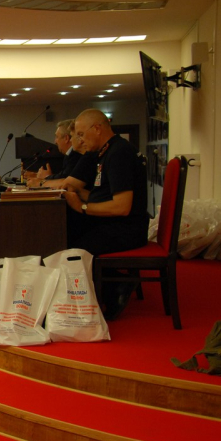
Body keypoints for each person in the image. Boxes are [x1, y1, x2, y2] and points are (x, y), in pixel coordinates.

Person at [63, 109, 148, 318]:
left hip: (126, 229)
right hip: (116, 223)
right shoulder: (107, 151)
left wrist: (82, 207)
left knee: (75, 247)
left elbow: (122, 207)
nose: (80, 140)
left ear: (97, 128)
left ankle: (114, 289)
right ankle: (106, 287)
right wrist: (78, 195)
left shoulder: (119, 153)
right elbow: (104, 195)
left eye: (81, 134)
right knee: (67, 231)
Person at [29, 119, 79, 183]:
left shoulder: (75, 155)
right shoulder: (69, 155)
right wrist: (36, 175)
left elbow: (65, 179)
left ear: (66, 138)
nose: (55, 141)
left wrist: (47, 177)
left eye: (57, 137)